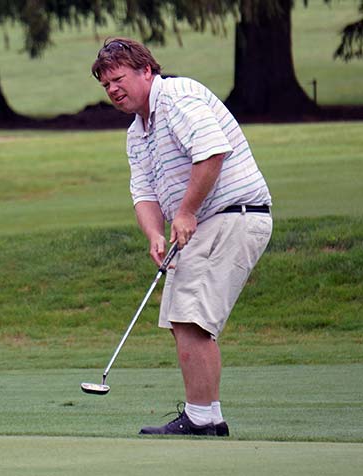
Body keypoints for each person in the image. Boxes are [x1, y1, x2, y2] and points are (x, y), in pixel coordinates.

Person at [91, 38, 273, 436]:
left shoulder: (178, 97)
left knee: (191, 317)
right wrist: (155, 233)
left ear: (146, 71)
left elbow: (211, 153)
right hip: (206, 223)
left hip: (232, 215)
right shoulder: (136, 132)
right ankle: (205, 417)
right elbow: (144, 193)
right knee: (182, 319)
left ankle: (204, 418)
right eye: (106, 85)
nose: (113, 90)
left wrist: (186, 212)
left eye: (119, 79)